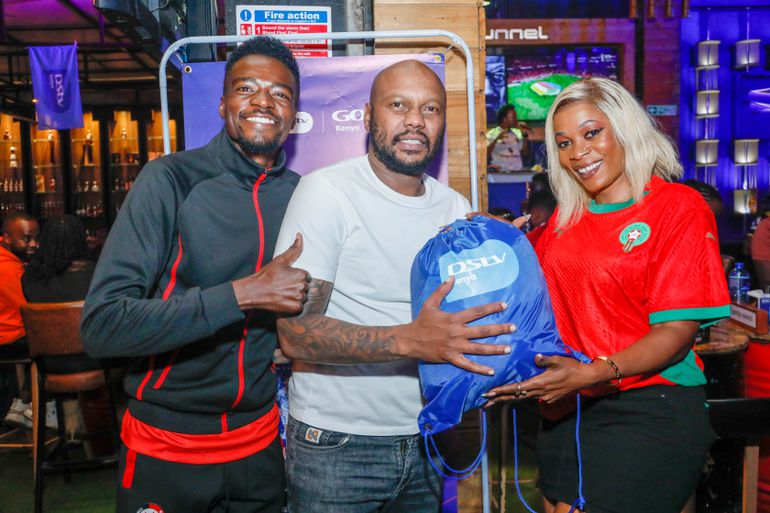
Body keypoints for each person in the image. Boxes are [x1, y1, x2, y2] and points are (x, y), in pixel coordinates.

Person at [274, 60, 516, 513]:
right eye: (399, 105)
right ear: (369, 116)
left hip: (427, 438)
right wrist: (411, 340)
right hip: (338, 446)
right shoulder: (327, 191)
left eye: (430, 109)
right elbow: (295, 335)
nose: (415, 121)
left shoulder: (454, 207)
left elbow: (465, 324)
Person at [81, 36, 310, 513]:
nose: (263, 101)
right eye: (246, 88)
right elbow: (103, 325)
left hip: (258, 446)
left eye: (280, 93)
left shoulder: (304, 195)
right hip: (166, 447)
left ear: (294, 114)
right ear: (223, 104)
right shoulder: (170, 180)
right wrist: (243, 294)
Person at [484, 78, 730, 513]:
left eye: (592, 133)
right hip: (569, 407)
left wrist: (594, 372)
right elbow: (528, 293)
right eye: (564, 143)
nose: (578, 152)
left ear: (625, 129)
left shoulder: (677, 207)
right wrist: (491, 240)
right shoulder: (566, 219)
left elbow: (676, 333)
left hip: (649, 405)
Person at [22, 215, 98, 430]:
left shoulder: (29, 279)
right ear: (81, 240)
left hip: (49, 366)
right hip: (96, 362)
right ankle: (107, 429)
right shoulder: (98, 274)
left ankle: (67, 421)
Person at [0, 211, 39, 428]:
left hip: (8, 332)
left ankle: (23, 401)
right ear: (6, 237)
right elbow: (29, 306)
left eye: (35, 238)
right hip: (7, 339)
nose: (34, 244)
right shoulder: (7, 268)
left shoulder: (7, 258)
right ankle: (39, 405)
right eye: (26, 239)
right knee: (55, 340)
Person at [486, 104, 531, 172]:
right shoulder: (493, 133)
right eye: (513, 117)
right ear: (505, 119)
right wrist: (497, 139)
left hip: (517, 171)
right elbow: (485, 153)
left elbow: (525, 153)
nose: (516, 119)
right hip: (500, 173)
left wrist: (524, 136)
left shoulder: (517, 133)